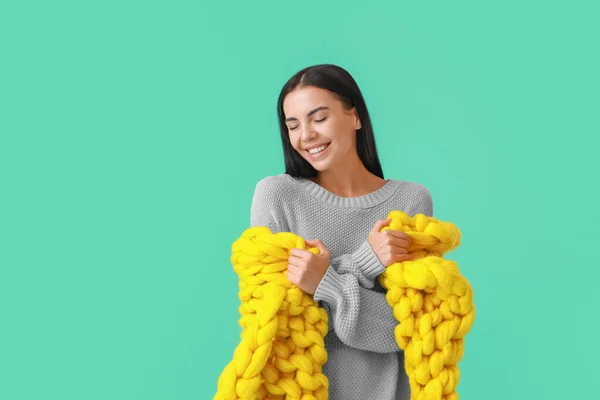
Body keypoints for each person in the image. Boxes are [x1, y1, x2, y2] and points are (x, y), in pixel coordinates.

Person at [250, 64, 434, 400]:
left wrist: (324, 284)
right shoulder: (277, 196)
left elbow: (409, 330)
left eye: (318, 118)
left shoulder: (410, 201)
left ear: (355, 117)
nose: (305, 135)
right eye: (293, 126)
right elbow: (275, 324)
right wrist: (366, 263)